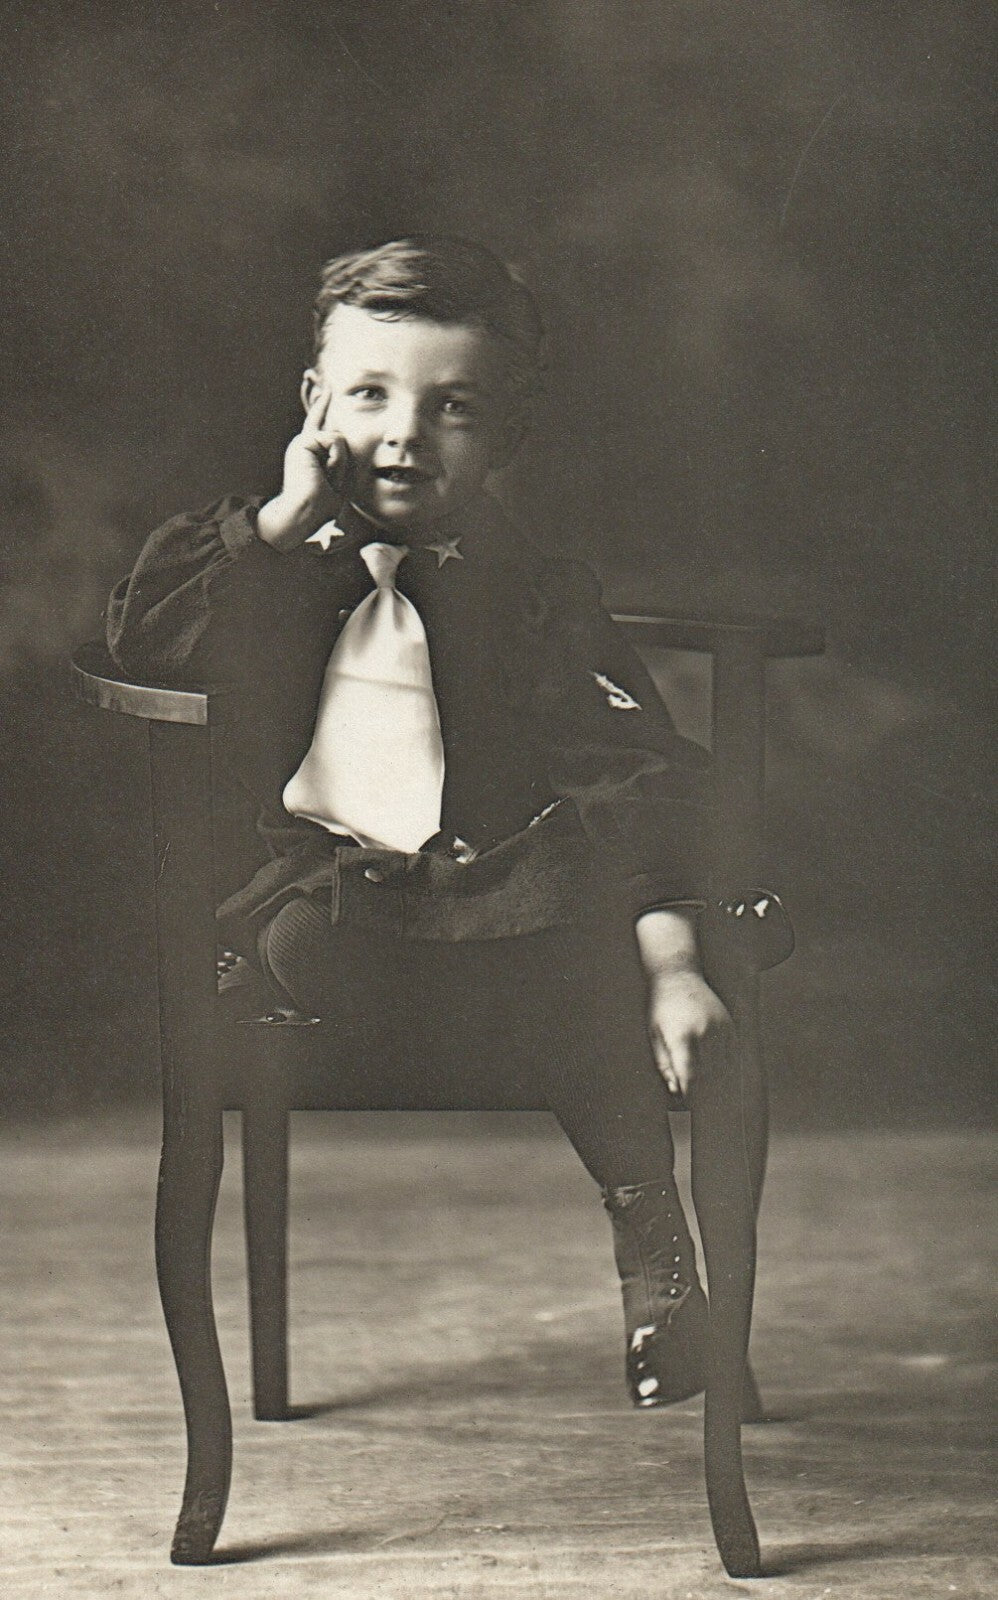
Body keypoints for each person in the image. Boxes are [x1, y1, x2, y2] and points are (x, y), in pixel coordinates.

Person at [107, 235, 740, 1408]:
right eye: (369, 394)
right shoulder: (267, 563)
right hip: (332, 890)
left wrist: (674, 961)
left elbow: (624, 771)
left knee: (576, 919)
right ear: (314, 404)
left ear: (505, 437)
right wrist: (283, 523)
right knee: (311, 936)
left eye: (452, 408)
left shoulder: (534, 592)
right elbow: (149, 644)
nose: (403, 432)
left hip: (503, 886)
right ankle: (579, 1047)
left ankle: (650, 1240)